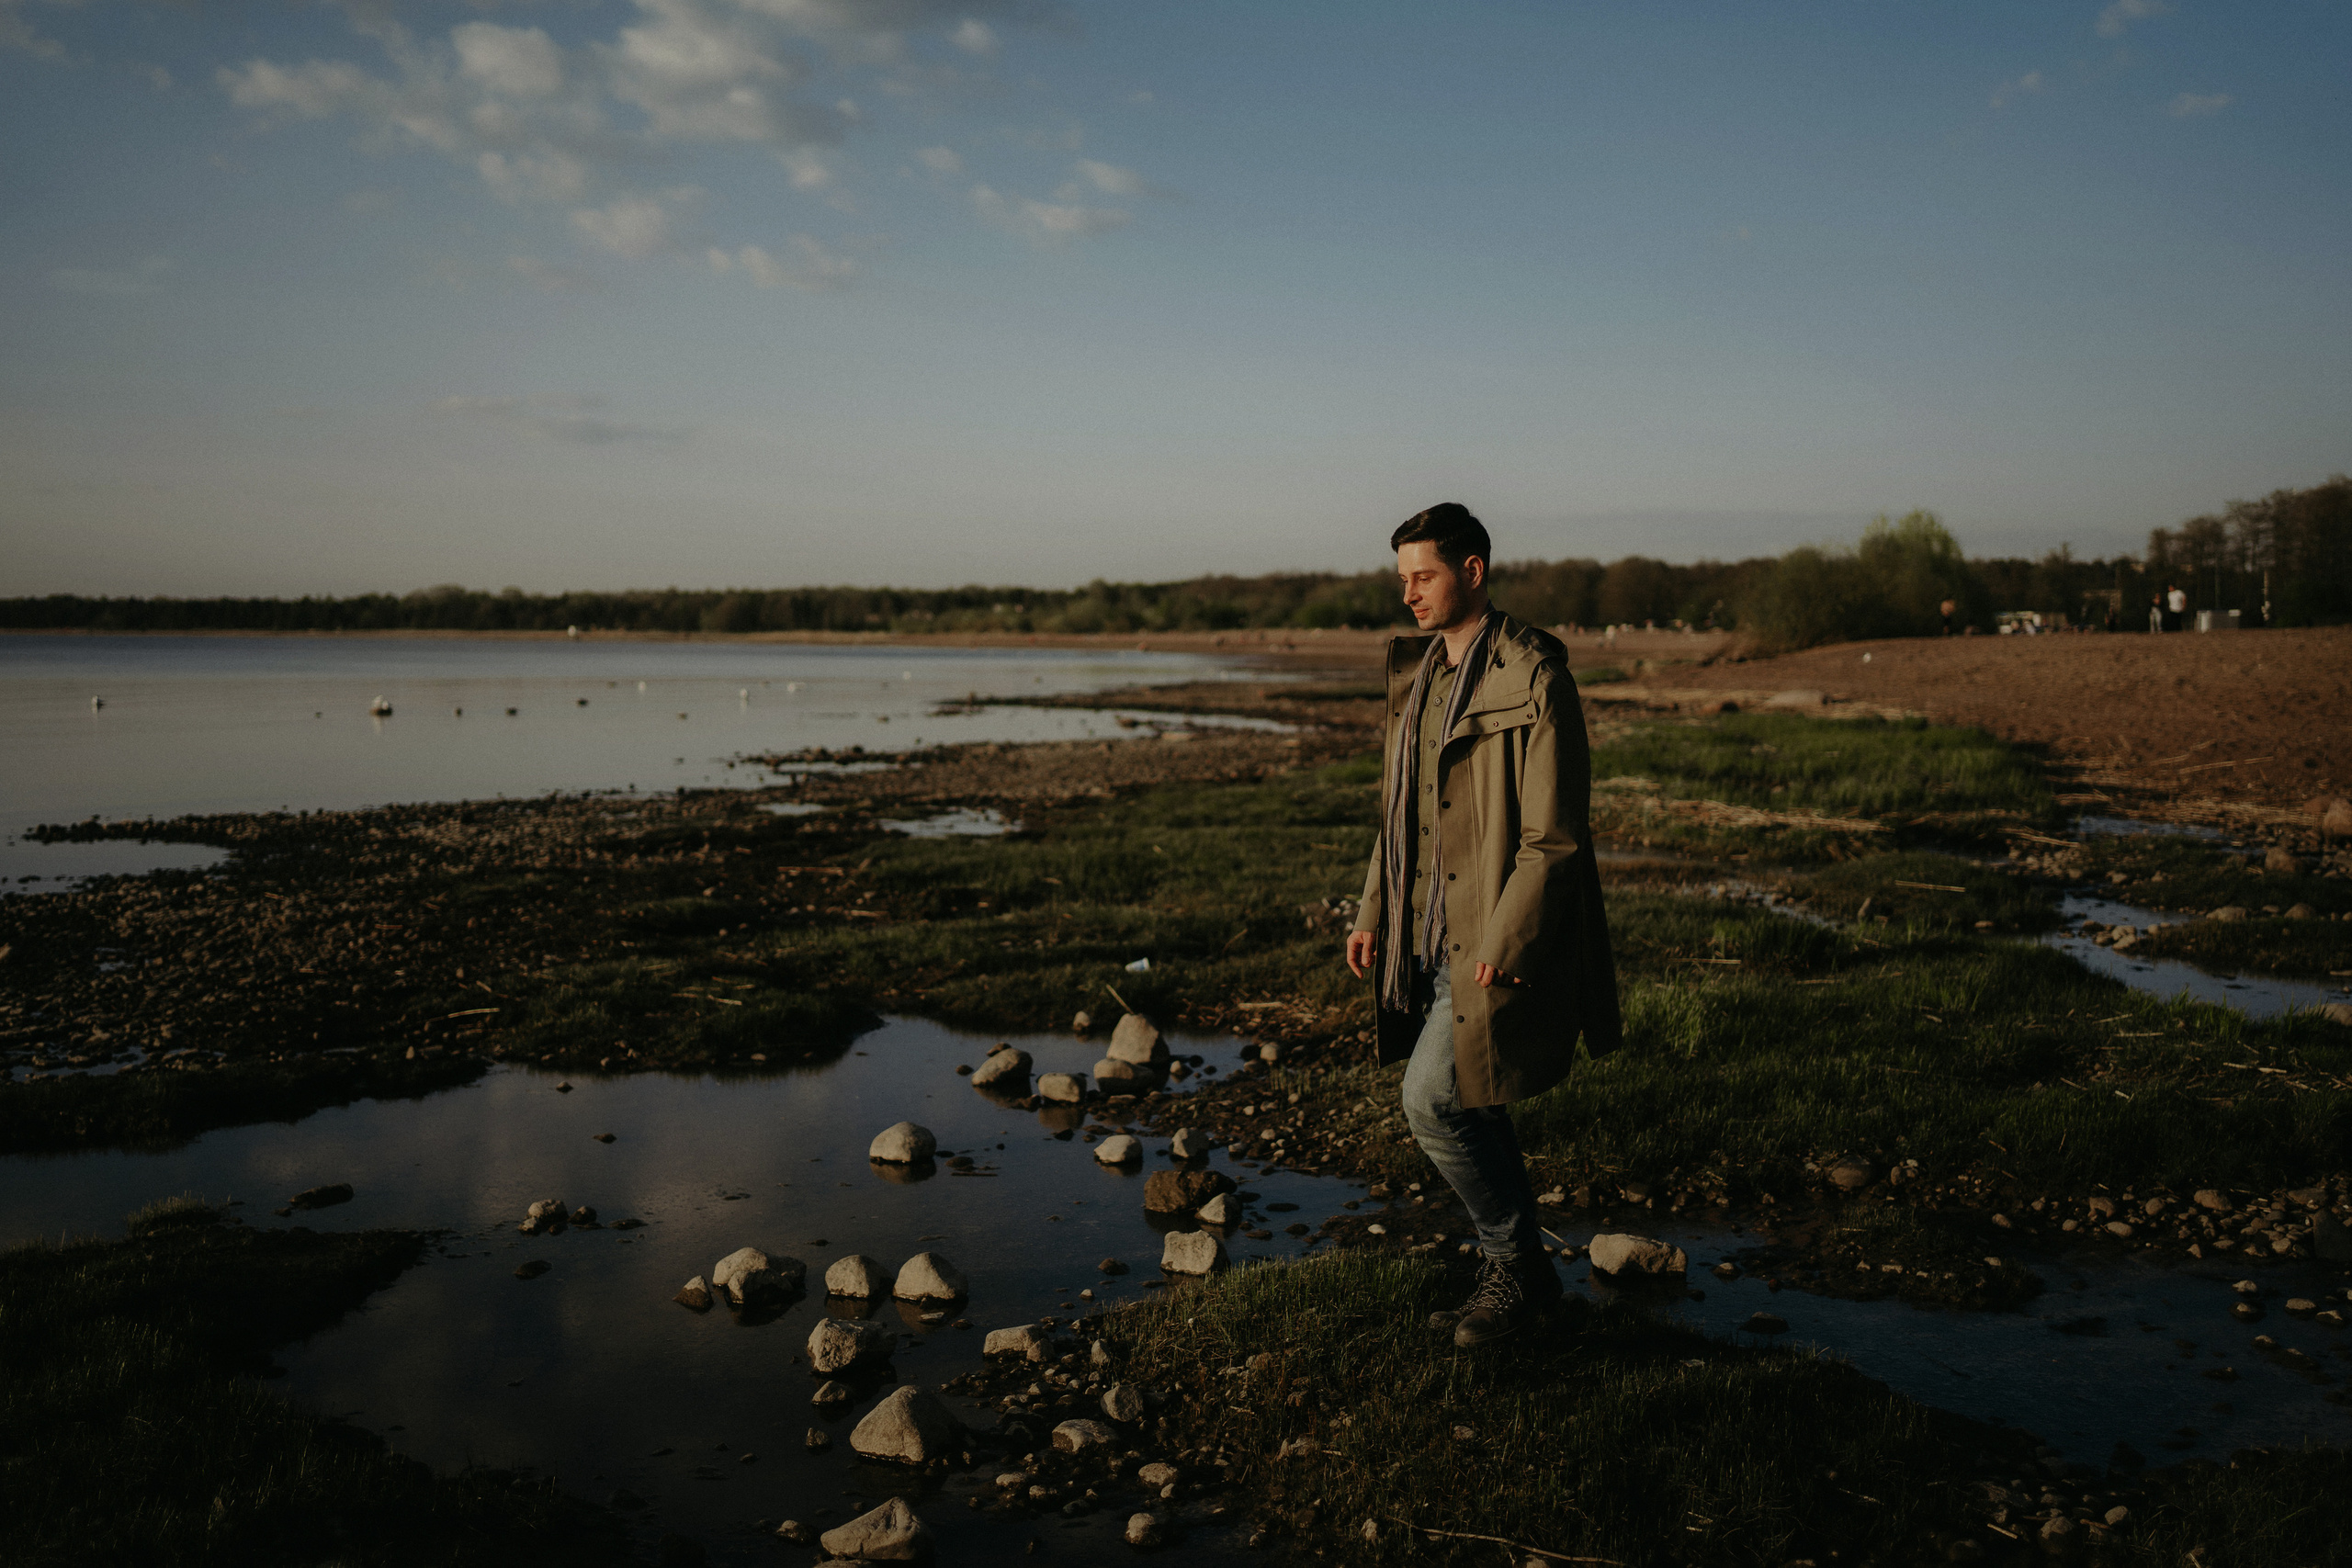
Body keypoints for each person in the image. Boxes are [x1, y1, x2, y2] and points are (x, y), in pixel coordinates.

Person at [1344, 502, 1623, 1348]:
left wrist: (1508, 940)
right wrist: (1371, 910)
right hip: (1419, 935)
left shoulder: (1537, 676)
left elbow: (1556, 836)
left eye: (1422, 576)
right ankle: (1530, 1282)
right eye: (1401, 579)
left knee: (1431, 1100)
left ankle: (1512, 1266)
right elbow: (1402, 815)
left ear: (1472, 571)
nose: (1409, 595)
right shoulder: (1418, 673)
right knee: (1476, 1100)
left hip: (1485, 940)